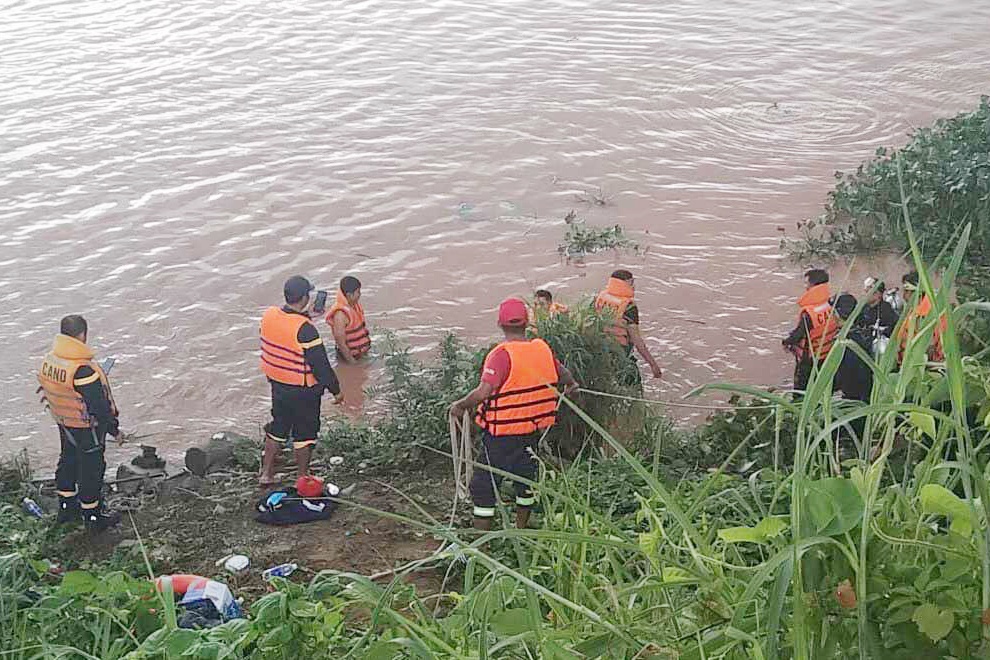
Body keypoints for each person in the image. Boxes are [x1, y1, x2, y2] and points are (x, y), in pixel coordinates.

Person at [448, 298, 577, 531]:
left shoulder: (501, 355)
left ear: (500, 324)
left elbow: (484, 391)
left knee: (483, 486)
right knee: (526, 481)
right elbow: (569, 381)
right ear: (527, 323)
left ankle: (481, 543)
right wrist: (561, 397)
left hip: (501, 437)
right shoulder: (542, 350)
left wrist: (460, 406)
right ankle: (521, 529)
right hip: (531, 433)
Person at [37, 315, 121, 531]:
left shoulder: (51, 360)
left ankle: (66, 507)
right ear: (82, 334)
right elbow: (98, 406)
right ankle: (93, 516)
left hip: (64, 421)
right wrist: (114, 429)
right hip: (86, 427)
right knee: (92, 468)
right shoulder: (82, 369)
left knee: (68, 459)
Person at [260, 276, 343, 485]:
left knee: (278, 427)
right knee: (305, 434)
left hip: (278, 386)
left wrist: (306, 317)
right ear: (305, 297)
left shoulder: (270, 316)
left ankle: (266, 474)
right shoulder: (306, 330)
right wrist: (336, 391)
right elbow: (321, 365)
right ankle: (303, 477)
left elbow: (286, 333)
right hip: (303, 390)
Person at [593, 270, 663, 382]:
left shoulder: (601, 297)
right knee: (632, 382)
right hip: (621, 351)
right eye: (631, 283)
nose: (634, 287)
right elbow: (637, 341)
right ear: (624, 284)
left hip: (602, 348)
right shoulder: (628, 307)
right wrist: (653, 365)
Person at [782, 269, 839, 391]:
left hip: (809, 359)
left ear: (813, 285)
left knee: (801, 389)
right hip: (825, 356)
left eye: (806, 283)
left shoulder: (809, 313)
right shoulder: (828, 306)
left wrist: (786, 342)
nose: (805, 286)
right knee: (820, 387)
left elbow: (798, 335)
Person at [831, 295, 874, 403]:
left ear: (837, 314)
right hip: (866, 390)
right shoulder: (863, 334)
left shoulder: (843, 343)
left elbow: (842, 374)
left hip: (853, 395)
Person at [897, 271, 946, 364]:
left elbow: (928, 348)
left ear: (917, 292)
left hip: (924, 366)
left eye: (907, 291)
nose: (903, 296)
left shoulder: (926, 314)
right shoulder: (916, 309)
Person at [326, 276, 372, 363]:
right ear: (349, 295)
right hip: (349, 357)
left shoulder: (354, 305)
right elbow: (341, 343)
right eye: (358, 292)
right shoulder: (340, 315)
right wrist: (352, 362)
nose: (360, 294)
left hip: (360, 352)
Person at [858, 277, 899, 357]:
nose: (865, 294)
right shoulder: (862, 307)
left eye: (868, 291)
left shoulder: (886, 310)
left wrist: (879, 330)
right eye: (865, 290)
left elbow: (893, 329)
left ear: (878, 294)